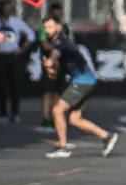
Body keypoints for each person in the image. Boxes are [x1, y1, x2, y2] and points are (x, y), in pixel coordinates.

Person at [42, 13, 118, 158]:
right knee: (75, 119)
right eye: (45, 27)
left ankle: (63, 147)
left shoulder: (61, 41)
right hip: (85, 82)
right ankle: (107, 136)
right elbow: (56, 67)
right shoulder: (60, 42)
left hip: (82, 82)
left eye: (50, 26)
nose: (47, 30)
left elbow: (52, 62)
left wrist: (47, 63)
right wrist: (52, 68)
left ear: (58, 26)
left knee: (57, 110)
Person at [0, 0, 35, 123]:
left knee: (14, 86)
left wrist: (22, 49)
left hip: (13, 58)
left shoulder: (17, 22)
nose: (8, 11)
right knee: (1, 86)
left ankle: (15, 113)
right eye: (5, 8)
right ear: (1, 9)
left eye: (9, 8)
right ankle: (2, 114)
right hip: (0, 57)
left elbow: (31, 35)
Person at [36, 2, 73, 129]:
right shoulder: (44, 28)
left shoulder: (67, 28)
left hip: (61, 65)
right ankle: (46, 117)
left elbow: (69, 45)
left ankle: (56, 115)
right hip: (50, 65)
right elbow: (45, 44)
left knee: (58, 91)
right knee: (47, 90)